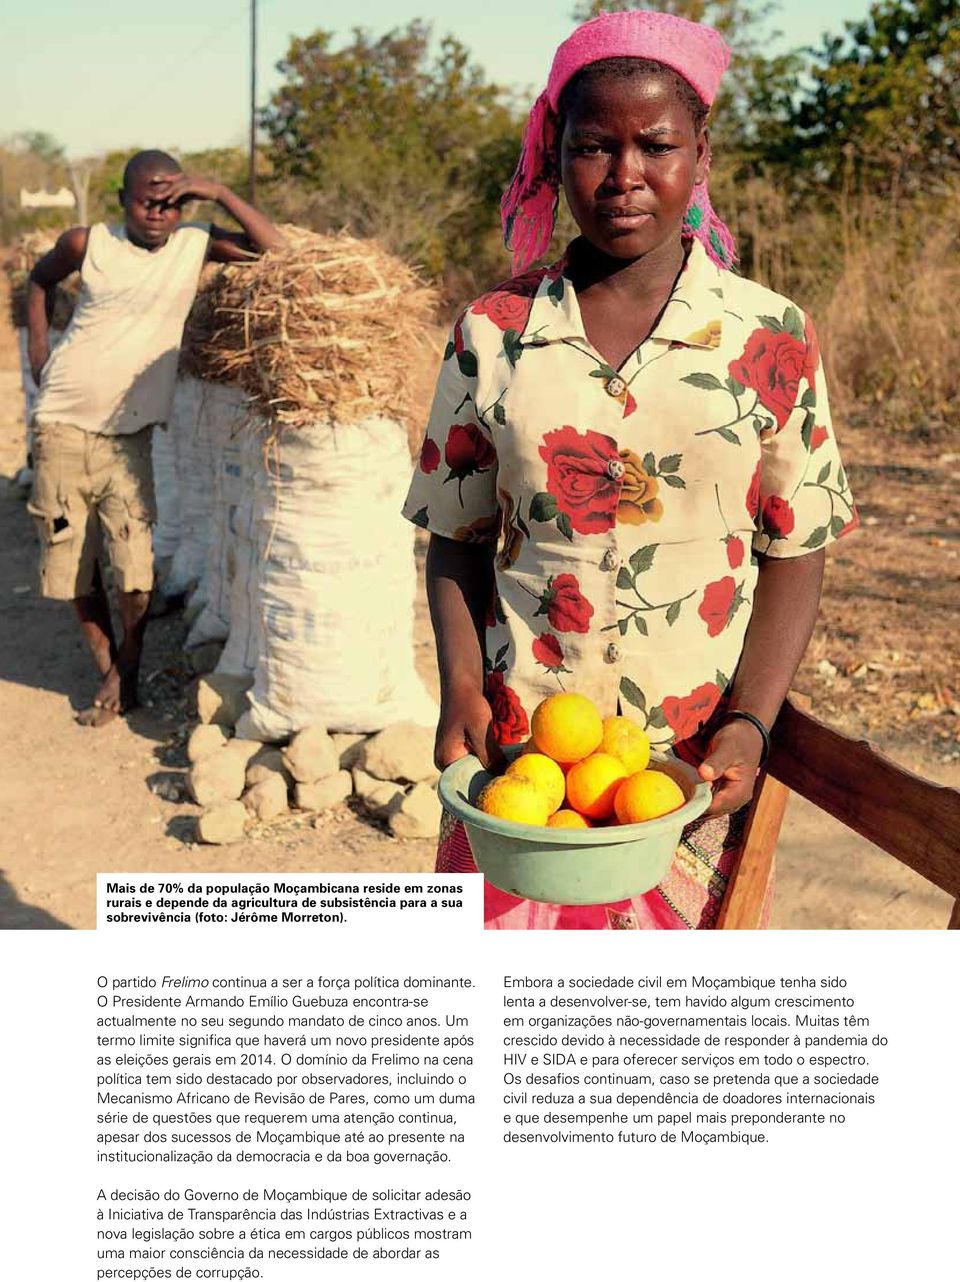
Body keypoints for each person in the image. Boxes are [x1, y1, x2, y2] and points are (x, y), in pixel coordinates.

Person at [403, 10, 858, 930]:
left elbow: (796, 548)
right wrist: (460, 689)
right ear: (554, 155)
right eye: (591, 147)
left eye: (656, 144)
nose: (624, 177)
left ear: (702, 155)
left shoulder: (769, 335)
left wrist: (751, 723)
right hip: (525, 760)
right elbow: (455, 540)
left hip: (688, 769)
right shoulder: (494, 332)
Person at [26, 150, 284, 727]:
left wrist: (217, 190)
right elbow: (39, 282)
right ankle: (111, 673)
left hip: (130, 438)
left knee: (135, 569)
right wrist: (38, 353)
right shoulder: (87, 243)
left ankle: (127, 671)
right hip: (61, 426)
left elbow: (279, 253)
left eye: (171, 201)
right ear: (123, 199)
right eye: (147, 199)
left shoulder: (194, 243)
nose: (159, 212)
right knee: (75, 565)